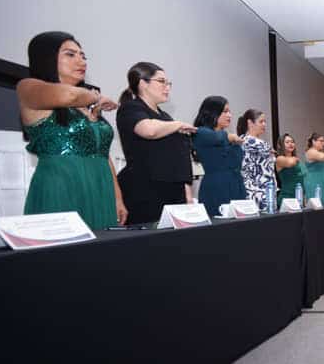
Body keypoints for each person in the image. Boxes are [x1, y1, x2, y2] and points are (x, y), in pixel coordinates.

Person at [17, 31, 125, 229]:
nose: (81, 61)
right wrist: (96, 97)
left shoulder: (87, 102)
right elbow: (68, 95)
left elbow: (102, 154)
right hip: (61, 186)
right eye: (70, 54)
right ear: (47, 58)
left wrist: (117, 196)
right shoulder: (28, 86)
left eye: (83, 56)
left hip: (100, 188)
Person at [117, 61, 196, 224]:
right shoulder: (130, 108)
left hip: (174, 193)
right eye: (162, 82)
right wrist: (178, 124)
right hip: (144, 191)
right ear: (142, 83)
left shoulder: (166, 117)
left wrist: (187, 193)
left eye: (169, 83)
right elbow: (148, 130)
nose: (167, 87)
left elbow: (181, 157)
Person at [192, 96, 246, 217]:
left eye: (230, 111)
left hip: (237, 185)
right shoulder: (201, 132)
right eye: (225, 111)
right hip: (216, 187)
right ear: (212, 112)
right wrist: (230, 137)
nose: (229, 115)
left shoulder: (227, 136)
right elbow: (216, 138)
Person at [236, 109, 274, 211]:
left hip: (253, 190)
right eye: (261, 121)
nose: (264, 124)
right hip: (259, 192)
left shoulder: (242, 139)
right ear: (250, 123)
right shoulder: (253, 142)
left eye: (265, 121)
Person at [275, 133, 307, 207]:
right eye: (287, 142)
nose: (290, 144)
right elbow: (290, 163)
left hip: (300, 198)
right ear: (281, 145)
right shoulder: (279, 159)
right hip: (287, 199)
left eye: (292, 142)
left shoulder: (297, 160)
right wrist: (295, 158)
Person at [303, 132, 324, 203]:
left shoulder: (321, 152)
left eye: (323, 141)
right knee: (317, 204)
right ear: (313, 141)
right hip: (315, 182)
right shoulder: (310, 152)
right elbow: (322, 157)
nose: (323, 143)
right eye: (321, 141)